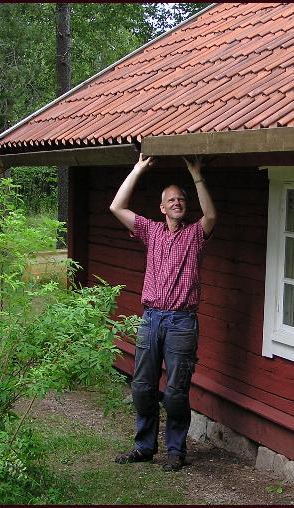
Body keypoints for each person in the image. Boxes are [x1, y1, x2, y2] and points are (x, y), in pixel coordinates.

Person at [110, 153, 216, 472]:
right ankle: (144, 446)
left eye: (181, 199)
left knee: (175, 391)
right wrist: (138, 168)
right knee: (142, 386)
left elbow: (210, 215)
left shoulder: (195, 235)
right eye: (170, 199)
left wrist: (196, 175)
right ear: (162, 207)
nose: (176, 203)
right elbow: (116, 207)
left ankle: (175, 449)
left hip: (182, 322)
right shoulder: (151, 231)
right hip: (151, 318)